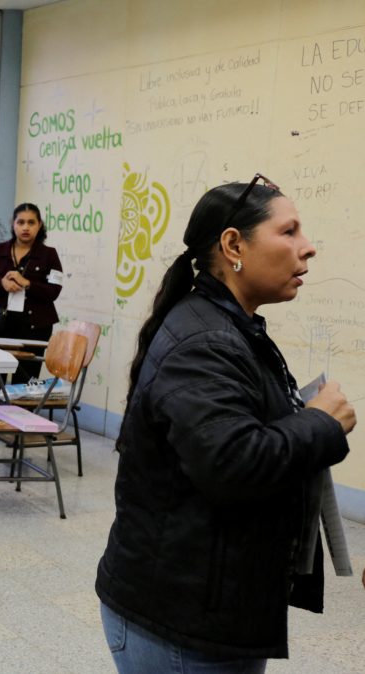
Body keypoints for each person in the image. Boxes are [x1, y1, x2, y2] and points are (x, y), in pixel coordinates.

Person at [95, 177, 355, 673]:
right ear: (233, 244)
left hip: (202, 603)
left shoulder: (226, 324)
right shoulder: (206, 341)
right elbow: (232, 464)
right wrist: (322, 423)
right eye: (290, 231)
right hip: (181, 621)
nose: (309, 247)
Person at [0, 204, 63, 410]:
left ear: (39, 225)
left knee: (25, 378)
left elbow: (54, 291)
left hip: (35, 325)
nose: (26, 227)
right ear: (13, 225)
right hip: (1, 323)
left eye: (31, 223)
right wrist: (2, 284)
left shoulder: (49, 254)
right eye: (21, 222)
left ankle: (18, 429)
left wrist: (27, 283)